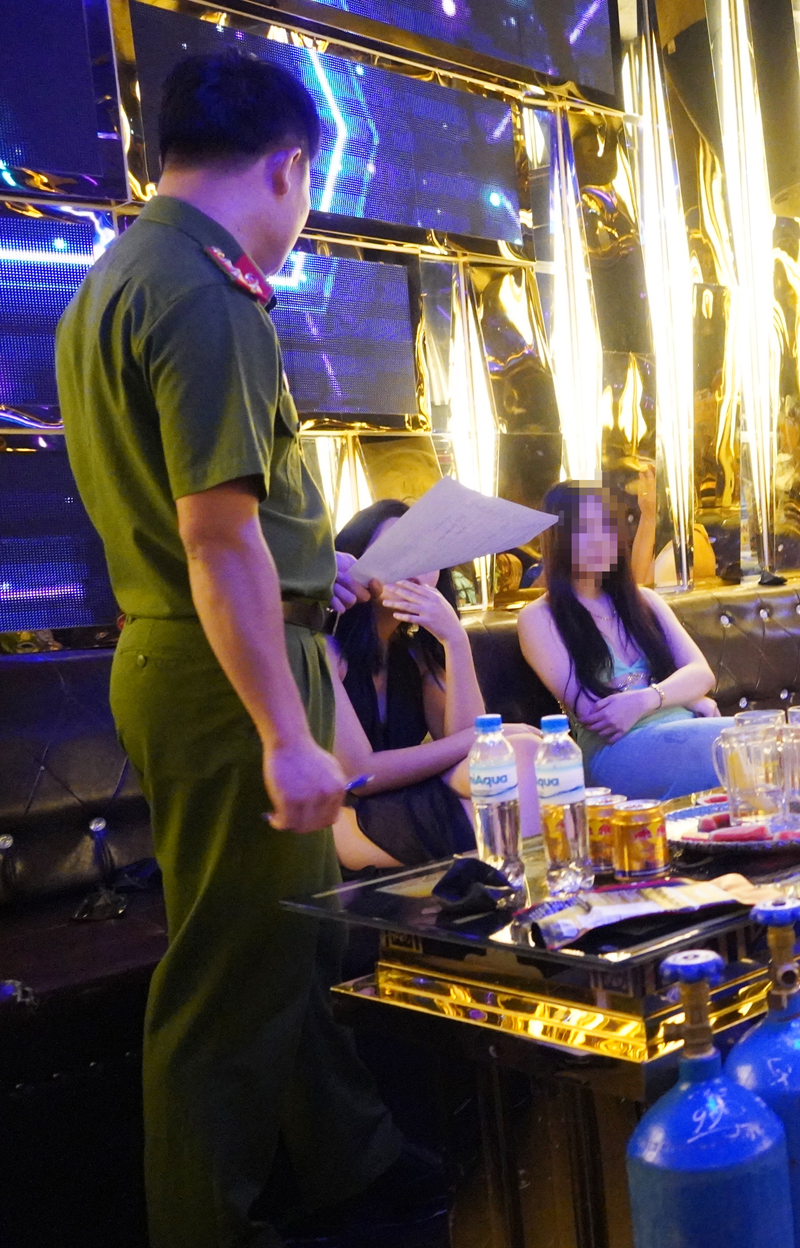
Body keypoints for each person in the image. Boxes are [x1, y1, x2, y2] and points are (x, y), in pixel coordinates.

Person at [57, 51, 438, 1248]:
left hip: (193, 654)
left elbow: (217, 524)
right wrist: (284, 731)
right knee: (229, 978)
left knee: (283, 941)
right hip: (229, 675)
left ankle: (354, 1164)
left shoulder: (121, 275)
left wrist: (328, 568)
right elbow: (215, 540)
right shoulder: (207, 292)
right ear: (288, 166)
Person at [326, 499, 539, 871]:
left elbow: (470, 751)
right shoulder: (328, 650)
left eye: (427, 552)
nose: (414, 565)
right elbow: (358, 775)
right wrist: (482, 736)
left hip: (401, 799)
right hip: (345, 817)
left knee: (518, 754)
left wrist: (455, 641)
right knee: (517, 751)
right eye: (397, 549)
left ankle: (516, 886)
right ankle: (524, 886)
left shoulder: (413, 654)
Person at [518, 481, 727, 798]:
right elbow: (597, 713)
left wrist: (648, 698)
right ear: (559, 538)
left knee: (753, 741)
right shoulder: (539, 617)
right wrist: (686, 696)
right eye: (585, 529)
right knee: (741, 740)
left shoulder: (645, 601)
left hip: (683, 733)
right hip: (615, 752)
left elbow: (702, 673)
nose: (601, 540)